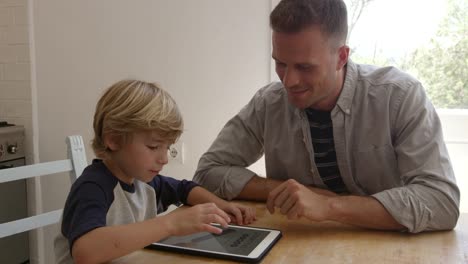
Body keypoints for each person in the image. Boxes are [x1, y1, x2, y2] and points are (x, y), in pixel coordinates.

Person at [193, 0, 459, 233]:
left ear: (341, 57)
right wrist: (281, 189)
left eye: (304, 67)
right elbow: (208, 172)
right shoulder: (268, 103)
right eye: (280, 63)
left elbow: (441, 201)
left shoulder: (400, 97)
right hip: (298, 246)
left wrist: (330, 206)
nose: (288, 81)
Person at [54, 80, 256, 264]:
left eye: (167, 147)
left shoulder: (143, 181)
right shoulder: (92, 187)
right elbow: (86, 251)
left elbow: (185, 189)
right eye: (153, 147)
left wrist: (221, 206)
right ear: (114, 139)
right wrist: (170, 224)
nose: (164, 159)